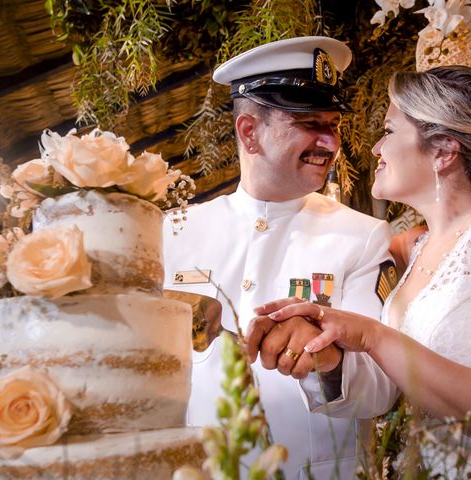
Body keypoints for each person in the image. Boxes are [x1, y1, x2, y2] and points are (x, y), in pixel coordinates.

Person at [255, 66, 471, 478]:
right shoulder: (414, 249)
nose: (377, 148)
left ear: (443, 151)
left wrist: (372, 336)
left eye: (390, 130)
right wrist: (320, 337)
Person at [163, 36, 398, 479]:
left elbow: (382, 388)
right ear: (249, 132)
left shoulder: (362, 237)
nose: (329, 143)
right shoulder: (173, 232)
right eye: (310, 124)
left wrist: (325, 361)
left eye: (334, 124)